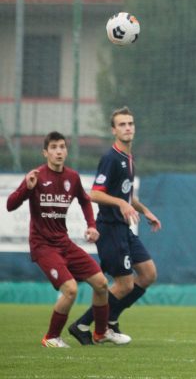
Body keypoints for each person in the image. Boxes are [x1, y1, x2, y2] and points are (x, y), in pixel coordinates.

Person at [6, 131, 131, 347]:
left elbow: (85, 201)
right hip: (43, 246)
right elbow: (10, 205)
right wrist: (26, 187)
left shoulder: (72, 177)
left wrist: (91, 226)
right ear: (45, 152)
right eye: (53, 147)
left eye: (62, 147)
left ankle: (100, 333)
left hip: (63, 243)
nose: (58, 151)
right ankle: (51, 337)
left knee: (101, 283)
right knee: (71, 289)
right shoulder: (36, 176)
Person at [70, 106, 162, 345]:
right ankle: (82, 325)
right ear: (113, 130)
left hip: (124, 228)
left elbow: (127, 195)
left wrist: (146, 211)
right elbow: (95, 194)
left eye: (130, 123)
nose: (127, 128)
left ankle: (111, 320)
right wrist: (121, 203)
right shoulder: (110, 158)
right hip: (109, 229)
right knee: (124, 284)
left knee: (149, 274)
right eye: (122, 124)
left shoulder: (129, 158)